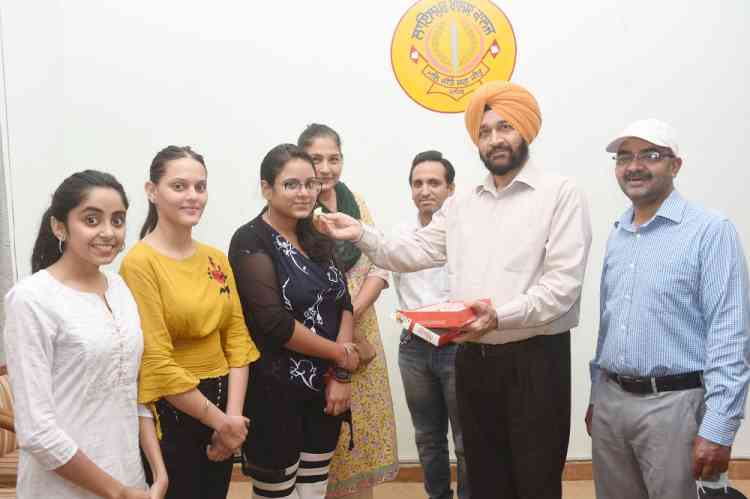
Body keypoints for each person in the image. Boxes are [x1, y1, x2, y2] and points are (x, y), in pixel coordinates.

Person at [318, 80, 592, 499]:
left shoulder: (560, 193)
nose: (495, 140)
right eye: (484, 132)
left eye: (505, 127)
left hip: (535, 362)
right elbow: (416, 250)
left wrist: (501, 316)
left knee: (534, 480)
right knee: (483, 477)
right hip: (472, 360)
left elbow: (562, 287)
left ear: (526, 131)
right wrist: (360, 233)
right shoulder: (463, 202)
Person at [586, 119, 750, 499]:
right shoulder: (619, 232)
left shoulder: (710, 231)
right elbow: (609, 325)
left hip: (675, 408)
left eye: (651, 155)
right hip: (612, 405)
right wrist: (598, 396)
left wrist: (719, 428)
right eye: (623, 156)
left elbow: (730, 333)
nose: (634, 165)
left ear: (675, 165)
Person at [3, 170, 167, 499]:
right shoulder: (31, 299)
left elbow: (133, 392)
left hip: (129, 476)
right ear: (59, 226)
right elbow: (36, 431)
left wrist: (158, 472)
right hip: (62, 486)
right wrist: (115, 491)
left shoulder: (120, 289)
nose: (108, 232)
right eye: (91, 220)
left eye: (118, 220)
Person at [120, 146, 260, 499]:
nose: (193, 196)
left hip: (225, 405)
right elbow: (156, 361)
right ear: (152, 191)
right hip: (173, 412)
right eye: (179, 186)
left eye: (200, 187)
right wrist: (222, 424)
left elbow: (238, 340)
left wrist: (233, 419)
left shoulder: (215, 257)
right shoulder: (139, 263)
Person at [227, 144, 359, 499]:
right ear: (267, 188)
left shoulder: (316, 234)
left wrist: (341, 374)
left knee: (314, 489)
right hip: (275, 393)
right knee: (278, 493)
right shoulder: (250, 239)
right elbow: (274, 323)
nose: (304, 193)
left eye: (310, 184)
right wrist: (342, 355)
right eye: (291, 185)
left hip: (326, 391)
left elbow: (343, 300)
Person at [297, 124, 398, 498]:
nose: (326, 168)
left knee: (362, 438)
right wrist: (342, 318)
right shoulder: (296, 209)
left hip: (362, 331)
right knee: (327, 439)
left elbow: (379, 262)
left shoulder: (354, 200)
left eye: (334, 158)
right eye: (316, 159)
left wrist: (351, 311)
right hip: (320, 340)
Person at [393, 150, 470, 499]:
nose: (425, 190)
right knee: (427, 437)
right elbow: (380, 271)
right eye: (417, 183)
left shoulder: (469, 233)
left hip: (458, 346)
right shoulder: (399, 234)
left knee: (466, 439)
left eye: (434, 183)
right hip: (414, 349)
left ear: (451, 189)